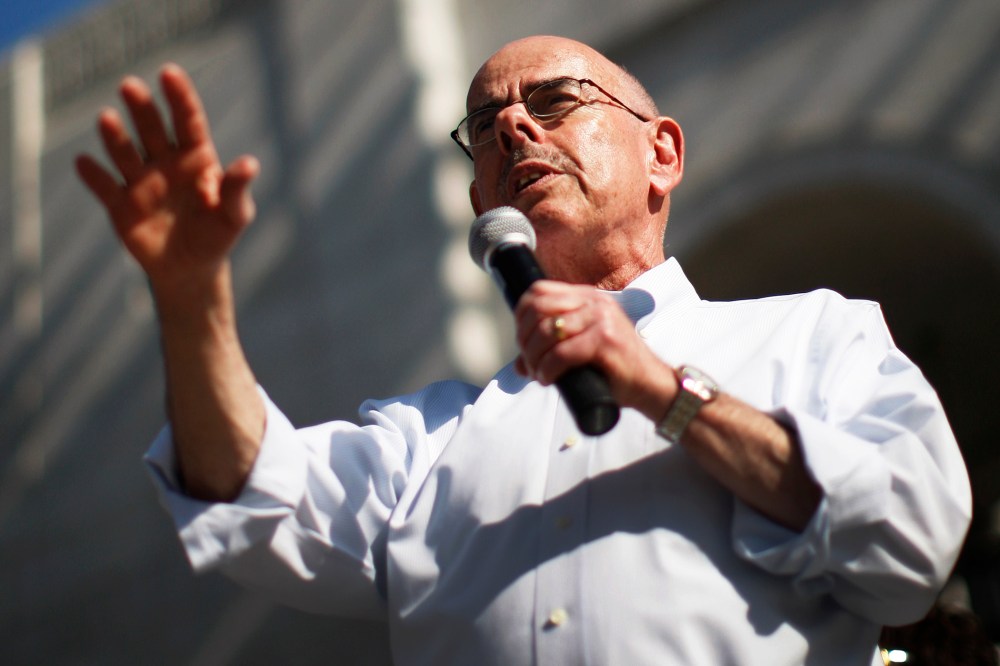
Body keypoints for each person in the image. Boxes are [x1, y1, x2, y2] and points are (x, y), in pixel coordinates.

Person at [76, 35, 972, 665]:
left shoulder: (811, 334)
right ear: (477, 200)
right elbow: (255, 499)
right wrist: (190, 295)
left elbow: (911, 546)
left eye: (553, 101)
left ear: (661, 153)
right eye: (486, 124)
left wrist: (667, 394)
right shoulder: (429, 436)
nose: (513, 130)